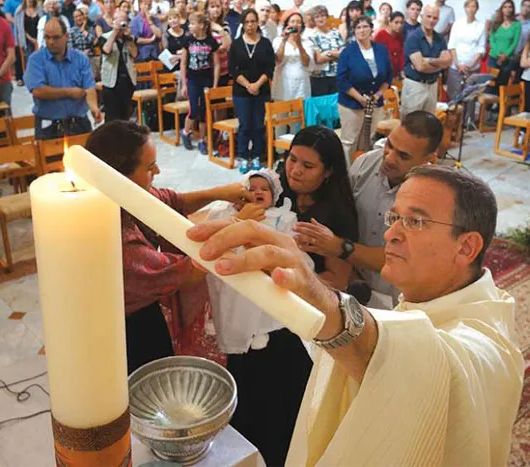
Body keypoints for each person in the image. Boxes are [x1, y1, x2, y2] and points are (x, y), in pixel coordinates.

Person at [189, 164, 524, 467]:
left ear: (466, 247)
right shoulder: (430, 297)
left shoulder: (487, 342)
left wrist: (325, 302)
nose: (391, 234)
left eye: (415, 221)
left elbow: (436, 366)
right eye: (394, 218)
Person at [84, 119, 249, 374]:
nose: (158, 171)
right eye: (150, 167)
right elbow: (186, 272)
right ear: (120, 177)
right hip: (129, 331)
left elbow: (172, 201)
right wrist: (239, 225)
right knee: (149, 384)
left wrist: (218, 193)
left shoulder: (122, 196)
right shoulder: (120, 244)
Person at [201, 169, 314, 467]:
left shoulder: (282, 220)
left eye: (264, 189)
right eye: (251, 189)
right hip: (234, 293)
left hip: (270, 309)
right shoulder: (223, 216)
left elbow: (294, 256)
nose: (257, 193)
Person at [295, 111, 442, 308]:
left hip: (398, 295)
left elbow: (400, 256)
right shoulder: (366, 163)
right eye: (389, 145)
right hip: (350, 284)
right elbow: (341, 211)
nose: (389, 158)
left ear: (429, 159)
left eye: (403, 156)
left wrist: (340, 247)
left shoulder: (432, 197)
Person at [277, 126, 358, 290]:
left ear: (328, 172)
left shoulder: (339, 213)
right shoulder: (275, 186)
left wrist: (284, 283)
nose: (296, 170)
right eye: (292, 159)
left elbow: (338, 279)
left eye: (308, 166)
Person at [24, 17, 102, 140]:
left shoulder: (81, 59)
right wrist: (69, 92)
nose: (50, 42)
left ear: (66, 36)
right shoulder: (35, 60)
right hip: (49, 125)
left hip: (78, 123)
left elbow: (89, 87)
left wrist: (94, 108)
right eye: (47, 37)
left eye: (55, 37)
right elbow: (38, 91)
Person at [337, 15, 393, 163]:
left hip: (375, 103)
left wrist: (378, 94)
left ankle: (365, 171)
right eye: (358, 27)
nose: (362, 30)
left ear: (371, 29)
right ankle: (347, 176)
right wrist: (359, 98)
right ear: (354, 31)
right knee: (350, 142)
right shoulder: (347, 52)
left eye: (365, 26)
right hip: (351, 104)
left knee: (369, 139)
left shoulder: (381, 49)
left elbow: (388, 76)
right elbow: (342, 81)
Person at [229, 8, 274, 167]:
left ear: (257, 23)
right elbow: (232, 70)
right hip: (241, 91)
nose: (250, 25)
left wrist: (257, 85)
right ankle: (242, 156)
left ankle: (256, 155)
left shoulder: (265, 43)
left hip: (261, 90)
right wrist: (248, 85)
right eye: (247, 22)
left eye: (253, 21)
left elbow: (270, 68)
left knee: (258, 124)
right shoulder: (236, 44)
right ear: (242, 23)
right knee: (245, 125)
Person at [179, 11, 219, 154]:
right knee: (194, 109)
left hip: (206, 79)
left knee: (204, 112)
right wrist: (184, 84)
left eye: (193, 23)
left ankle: (203, 140)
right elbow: (183, 64)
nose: (190, 26)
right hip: (193, 79)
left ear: (201, 25)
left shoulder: (211, 42)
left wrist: (214, 85)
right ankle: (185, 132)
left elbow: (216, 65)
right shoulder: (188, 41)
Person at [401, 4, 451, 116]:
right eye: (428, 16)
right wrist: (439, 63)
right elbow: (420, 66)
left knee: (428, 124)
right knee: (411, 124)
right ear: (422, 16)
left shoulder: (440, 39)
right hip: (415, 86)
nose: (431, 20)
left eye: (435, 18)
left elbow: (447, 62)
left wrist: (428, 61)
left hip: (433, 85)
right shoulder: (413, 37)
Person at [272, 11, 311, 142]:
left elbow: (307, 62)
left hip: (301, 85)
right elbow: (278, 60)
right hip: (283, 84)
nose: (296, 24)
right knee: (280, 121)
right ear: (287, 24)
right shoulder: (278, 40)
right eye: (293, 21)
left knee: (297, 122)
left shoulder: (306, 42)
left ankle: (295, 151)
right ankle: (280, 153)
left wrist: (299, 44)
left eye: (299, 22)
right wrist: (284, 40)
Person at [100, 8, 138, 120]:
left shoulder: (128, 38)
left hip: (127, 80)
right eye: (118, 20)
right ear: (113, 22)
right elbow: (106, 50)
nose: (121, 23)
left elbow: (135, 54)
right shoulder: (105, 37)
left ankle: (124, 137)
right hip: (111, 82)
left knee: (125, 114)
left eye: (124, 21)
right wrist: (115, 32)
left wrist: (129, 37)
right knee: (112, 115)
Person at [446, 0, 484, 112]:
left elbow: (481, 48)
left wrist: (470, 65)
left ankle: (468, 123)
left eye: (474, 7)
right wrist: (458, 64)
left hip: (472, 67)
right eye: (469, 6)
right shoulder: (457, 24)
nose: (471, 9)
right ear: (465, 8)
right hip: (456, 65)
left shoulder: (480, 26)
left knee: (470, 96)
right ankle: (453, 122)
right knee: (455, 95)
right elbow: (451, 45)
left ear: (477, 9)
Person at [309, 5, 345, 97]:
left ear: (327, 17)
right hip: (319, 78)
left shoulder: (336, 33)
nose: (320, 19)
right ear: (313, 20)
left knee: (336, 107)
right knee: (322, 108)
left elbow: (344, 54)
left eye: (323, 15)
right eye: (317, 17)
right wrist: (336, 53)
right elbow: (319, 59)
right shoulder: (311, 35)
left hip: (337, 75)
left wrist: (328, 53)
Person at [488, 0, 520, 94]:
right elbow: (492, 40)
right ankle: (488, 107)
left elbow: (515, 42)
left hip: (508, 59)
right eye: (505, 7)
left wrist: (505, 55)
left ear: (513, 9)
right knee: (490, 83)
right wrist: (498, 54)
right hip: (494, 57)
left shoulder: (517, 25)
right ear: (502, 9)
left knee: (502, 85)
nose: (507, 9)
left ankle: (499, 107)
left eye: (510, 7)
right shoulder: (496, 23)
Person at [13, 0, 41, 84]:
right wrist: (17, 41)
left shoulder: (39, 9)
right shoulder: (19, 11)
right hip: (26, 39)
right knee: (28, 59)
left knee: (38, 60)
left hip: (38, 38)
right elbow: (17, 27)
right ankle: (27, 78)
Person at [374, 11, 404, 78]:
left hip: (396, 75)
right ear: (390, 22)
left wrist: (402, 70)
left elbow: (401, 55)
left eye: (401, 23)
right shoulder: (380, 36)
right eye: (396, 22)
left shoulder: (399, 36)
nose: (399, 25)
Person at [207, 0, 231, 86]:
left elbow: (227, 45)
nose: (216, 9)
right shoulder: (204, 25)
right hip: (207, 68)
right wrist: (217, 49)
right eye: (212, 7)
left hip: (223, 69)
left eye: (218, 6)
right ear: (207, 9)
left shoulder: (224, 24)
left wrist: (220, 29)